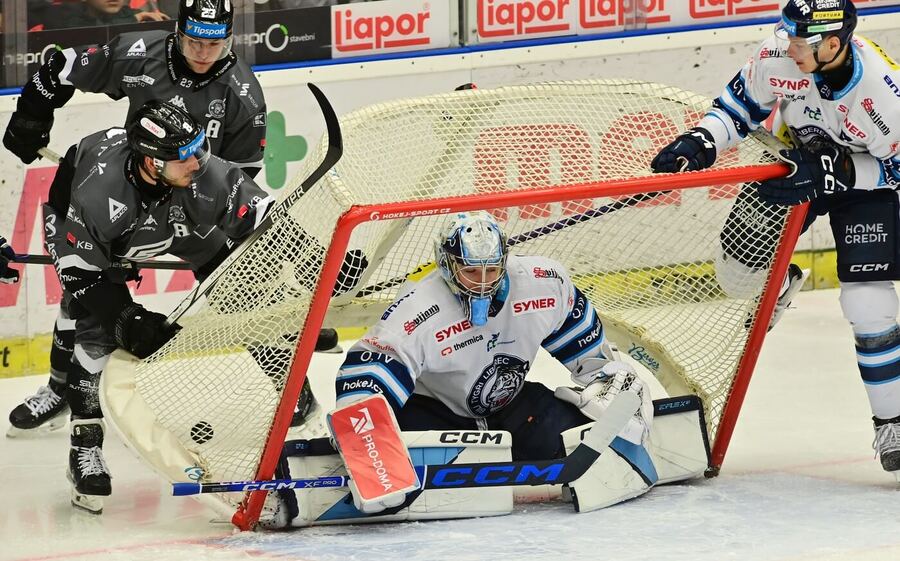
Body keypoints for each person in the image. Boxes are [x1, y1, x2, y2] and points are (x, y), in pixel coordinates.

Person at [3, 0, 339, 437]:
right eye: (194, 41)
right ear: (176, 31)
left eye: (213, 44)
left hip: (192, 209)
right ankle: (61, 389)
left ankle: (292, 388)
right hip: (130, 194)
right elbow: (60, 68)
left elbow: (238, 181)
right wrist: (31, 116)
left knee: (242, 290)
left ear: (230, 39)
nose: (202, 53)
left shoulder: (244, 97)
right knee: (84, 293)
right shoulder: (138, 52)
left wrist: (241, 246)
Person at [651, 0, 900, 479]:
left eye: (800, 40)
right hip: (790, 168)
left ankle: (892, 422)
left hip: (864, 186)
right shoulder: (777, 58)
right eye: (787, 35)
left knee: (868, 302)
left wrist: (844, 171)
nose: (790, 46)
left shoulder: (883, 94)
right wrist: (702, 140)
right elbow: (737, 107)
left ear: (834, 43)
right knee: (736, 273)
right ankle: (779, 281)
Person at [327, 211, 658, 515]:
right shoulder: (418, 310)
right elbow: (366, 377)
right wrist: (367, 448)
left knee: (577, 436)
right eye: (471, 270)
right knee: (397, 461)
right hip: (435, 413)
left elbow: (594, 360)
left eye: (493, 268)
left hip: (513, 404)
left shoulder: (543, 283)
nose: (484, 280)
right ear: (447, 264)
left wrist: (614, 386)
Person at [39, 100, 273, 513]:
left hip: (175, 216)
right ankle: (84, 448)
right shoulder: (97, 193)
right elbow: (81, 276)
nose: (198, 161)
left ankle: (293, 387)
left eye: (200, 147)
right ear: (150, 161)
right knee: (97, 337)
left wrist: (316, 254)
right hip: (101, 241)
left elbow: (270, 226)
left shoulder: (200, 172)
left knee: (241, 287)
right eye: (185, 156)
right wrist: (128, 319)